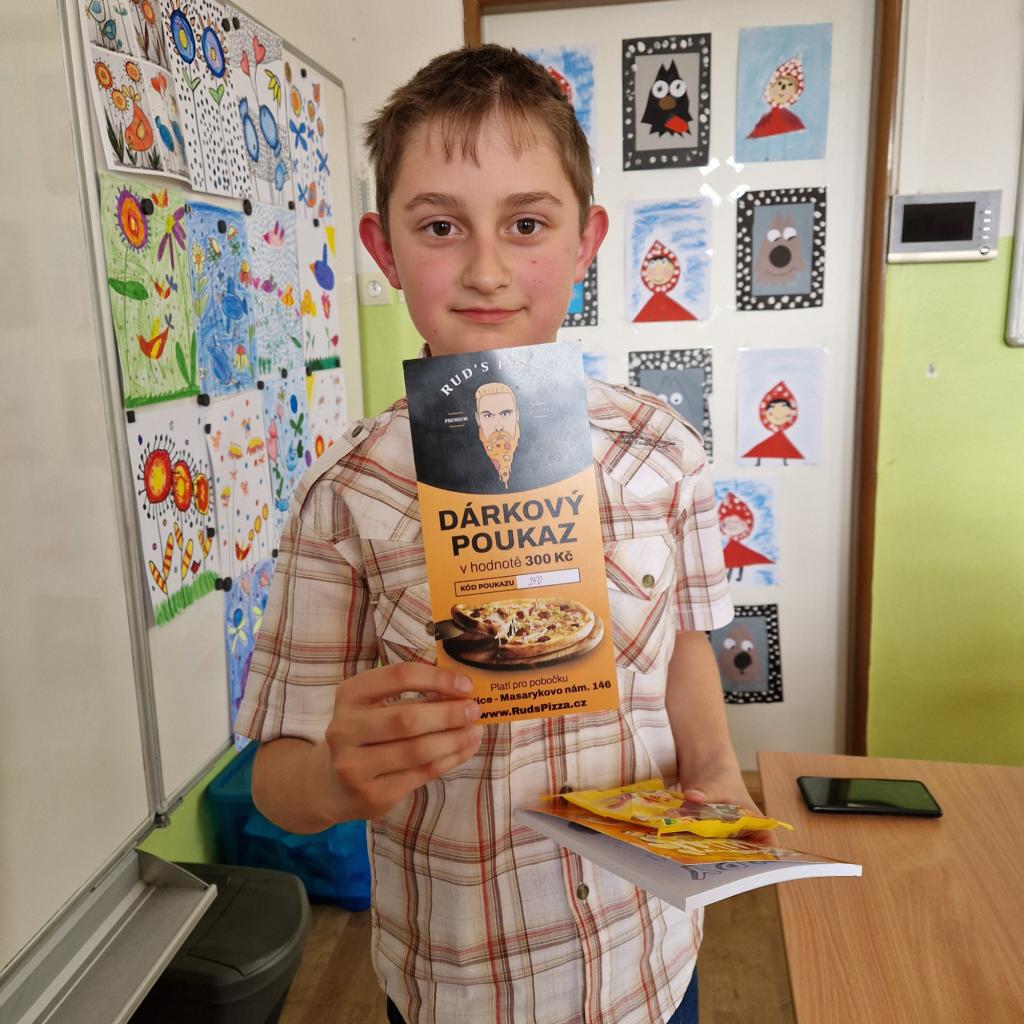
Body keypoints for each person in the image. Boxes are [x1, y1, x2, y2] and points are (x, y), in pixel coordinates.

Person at [236, 43, 765, 1024]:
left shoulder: (662, 449)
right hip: (460, 986)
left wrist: (715, 769)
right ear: (385, 250)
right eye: (441, 226)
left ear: (585, 240)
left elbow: (687, 642)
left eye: (527, 224)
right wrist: (333, 778)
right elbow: (276, 781)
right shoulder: (345, 494)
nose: (486, 270)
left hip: (648, 959)